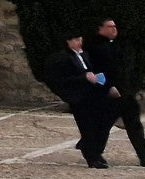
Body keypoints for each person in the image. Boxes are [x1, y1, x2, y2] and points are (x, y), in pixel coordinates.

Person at [83, 19, 145, 167]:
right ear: (100, 29)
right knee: (103, 126)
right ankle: (93, 156)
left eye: (114, 26)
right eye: (109, 26)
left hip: (125, 93)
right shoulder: (93, 47)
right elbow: (93, 71)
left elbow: (127, 69)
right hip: (107, 94)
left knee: (135, 126)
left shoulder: (120, 45)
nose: (113, 29)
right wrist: (108, 87)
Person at [44, 33, 113, 168]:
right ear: (68, 42)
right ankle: (92, 158)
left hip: (92, 95)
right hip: (78, 97)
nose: (79, 42)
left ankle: (89, 148)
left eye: (80, 39)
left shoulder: (84, 55)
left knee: (100, 124)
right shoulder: (63, 58)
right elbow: (63, 80)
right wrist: (84, 78)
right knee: (86, 127)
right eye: (76, 40)